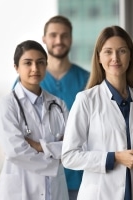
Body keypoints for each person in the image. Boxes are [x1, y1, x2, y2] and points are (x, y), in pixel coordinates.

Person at [61, 25, 133, 200]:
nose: (115, 57)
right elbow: (69, 156)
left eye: (122, 51)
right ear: (99, 57)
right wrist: (114, 157)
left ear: (130, 56)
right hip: (100, 193)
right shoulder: (86, 100)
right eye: (108, 52)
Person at [0, 40, 69, 200]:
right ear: (16, 67)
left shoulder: (58, 105)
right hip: (20, 190)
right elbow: (15, 151)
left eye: (40, 62)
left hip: (54, 190)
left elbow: (72, 146)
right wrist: (55, 158)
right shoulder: (8, 105)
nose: (35, 68)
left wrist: (39, 146)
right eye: (28, 63)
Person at [41, 15, 90, 199]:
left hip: (80, 177)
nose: (59, 40)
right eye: (53, 35)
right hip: (43, 177)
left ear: (71, 39)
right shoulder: (28, 81)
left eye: (64, 35)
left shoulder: (87, 80)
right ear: (44, 39)